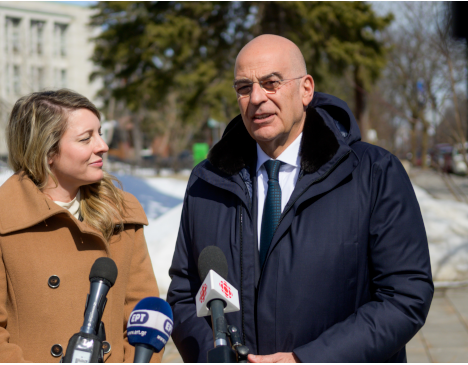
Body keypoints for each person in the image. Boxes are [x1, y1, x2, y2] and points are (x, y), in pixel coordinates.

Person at [167, 35, 433, 363]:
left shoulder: (374, 173)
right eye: (244, 87)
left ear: (305, 88)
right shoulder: (208, 182)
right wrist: (217, 356)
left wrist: (307, 360)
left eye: (271, 83)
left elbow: (405, 297)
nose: (257, 99)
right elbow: (184, 294)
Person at [0, 90, 162, 363]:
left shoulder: (121, 214)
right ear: (47, 150)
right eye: (86, 138)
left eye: (99, 133)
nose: (102, 145)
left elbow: (142, 316)